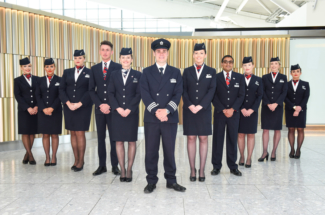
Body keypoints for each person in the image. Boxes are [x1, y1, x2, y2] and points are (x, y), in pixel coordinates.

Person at [140, 38, 186, 193]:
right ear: (154, 53)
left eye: (164, 51)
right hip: (152, 118)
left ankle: (171, 180)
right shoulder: (146, 72)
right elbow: (145, 94)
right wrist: (156, 111)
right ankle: (151, 181)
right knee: (151, 151)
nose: (161, 54)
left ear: (167, 53)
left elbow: (178, 93)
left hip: (169, 118)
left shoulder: (175, 72)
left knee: (169, 151)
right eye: (158, 51)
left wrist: (166, 111)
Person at [182, 43, 216, 182]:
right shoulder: (187, 71)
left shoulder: (211, 71)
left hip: (204, 110)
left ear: (205, 55)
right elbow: (183, 90)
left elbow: (211, 90)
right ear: (193, 55)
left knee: (203, 138)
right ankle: (192, 169)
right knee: (191, 138)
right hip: (189, 110)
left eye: (201, 53)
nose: (198, 56)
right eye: (196, 53)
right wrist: (190, 105)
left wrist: (201, 106)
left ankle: (201, 169)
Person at [108, 48, 142, 182]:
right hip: (117, 114)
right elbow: (110, 93)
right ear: (120, 59)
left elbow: (139, 94)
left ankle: (129, 169)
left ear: (132, 59)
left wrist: (129, 109)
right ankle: (122, 169)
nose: (126, 60)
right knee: (119, 141)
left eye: (128, 57)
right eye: (123, 57)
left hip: (131, 113)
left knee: (132, 141)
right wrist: (117, 108)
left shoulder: (138, 75)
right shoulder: (114, 74)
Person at [89, 40, 122, 176]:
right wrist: (100, 104)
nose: (105, 52)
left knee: (114, 138)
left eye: (107, 50)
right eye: (103, 49)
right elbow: (91, 90)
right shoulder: (94, 69)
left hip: (113, 109)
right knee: (101, 137)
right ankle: (102, 165)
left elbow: (120, 89)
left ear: (112, 52)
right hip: (99, 109)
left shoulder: (118, 67)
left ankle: (115, 165)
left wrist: (110, 104)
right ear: (99, 51)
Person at [211, 55, 245, 177]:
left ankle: (233, 166)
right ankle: (216, 166)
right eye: (225, 62)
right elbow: (213, 95)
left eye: (230, 62)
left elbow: (241, 95)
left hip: (234, 114)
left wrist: (233, 109)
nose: (228, 64)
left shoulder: (240, 77)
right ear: (222, 63)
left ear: (233, 64)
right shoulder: (216, 77)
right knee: (217, 140)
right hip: (220, 114)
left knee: (232, 140)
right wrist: (223, 109)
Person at [59, 49, 93, 172]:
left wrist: (79, 103)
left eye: (80, 58)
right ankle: (76, 159)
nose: (77, 60)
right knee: (72, 132)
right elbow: (61, 89)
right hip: (69, 107)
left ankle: (81, 160)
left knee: (80, 133)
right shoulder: (67, 72)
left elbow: (91, 90)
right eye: (75, 58)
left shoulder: (90, 72)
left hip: (83, 107)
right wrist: (68, 103)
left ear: (84, 58)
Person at [259, 57, 288, 162]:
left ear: (279, 65)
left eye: (276, 63)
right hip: (266, 107)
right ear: (270, 65)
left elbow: (284, 92)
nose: (274, 66)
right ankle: (264, 152)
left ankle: (273, 152)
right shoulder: (265, 77)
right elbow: (262, 91)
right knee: (265, 129)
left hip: (278, 107)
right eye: (272, 64)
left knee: (277, 129)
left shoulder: (283, 77)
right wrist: (268, 103)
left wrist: (276, 103)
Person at [35, 58, 62, 166]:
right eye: (47, 67)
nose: (49, 69)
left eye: (51, 66)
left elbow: (61, 95)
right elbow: (38, 95)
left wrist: (52, 108)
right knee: (45, 134)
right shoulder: (39, 80)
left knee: (54, 134)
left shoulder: (60, 80)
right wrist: (43, 108)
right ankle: (47, 157)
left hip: (56, 111)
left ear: (54, 67)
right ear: (44, 68)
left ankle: (54, 156)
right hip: (43, 111)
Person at [237, 57, 263, 168]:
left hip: (253, 112)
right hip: (240, 111)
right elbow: (236, 95)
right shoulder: (238, 78)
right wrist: (241, 108)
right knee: (241, 134)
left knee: (251, 134)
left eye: (249, 65)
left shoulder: (259, 80)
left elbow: (260, 96)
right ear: (242, 66)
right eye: (245, 65)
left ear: (253, 66)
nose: (247, 67)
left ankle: (249, 158)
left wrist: (252, 109)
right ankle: (242, 156)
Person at [14, 57, 39, 165]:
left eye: (29, 66)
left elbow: (39, 94)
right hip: (24, 110)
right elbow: (18, 95)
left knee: (31, 132)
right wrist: (27, 108)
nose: (27, 68)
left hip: (35, 109)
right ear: (21, 68)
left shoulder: (37, 79)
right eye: (25, 66)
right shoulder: (17, 80)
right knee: (25, 132)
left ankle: (26, 155)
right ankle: (30, 155)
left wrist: (37, 106)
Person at [285, 64, 310, 159]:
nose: (295, 73)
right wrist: (293, 107)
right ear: (291, 73)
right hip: (289, 110)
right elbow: (285, 97)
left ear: (300, 73)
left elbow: (306, 97)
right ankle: (292, 149)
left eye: (297, 71)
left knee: (300, 129)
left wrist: (299, 108)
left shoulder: (305, 84)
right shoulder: (286, 85)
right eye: (294, 71)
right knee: (291, 129)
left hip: (302, 110)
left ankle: (298, 149)